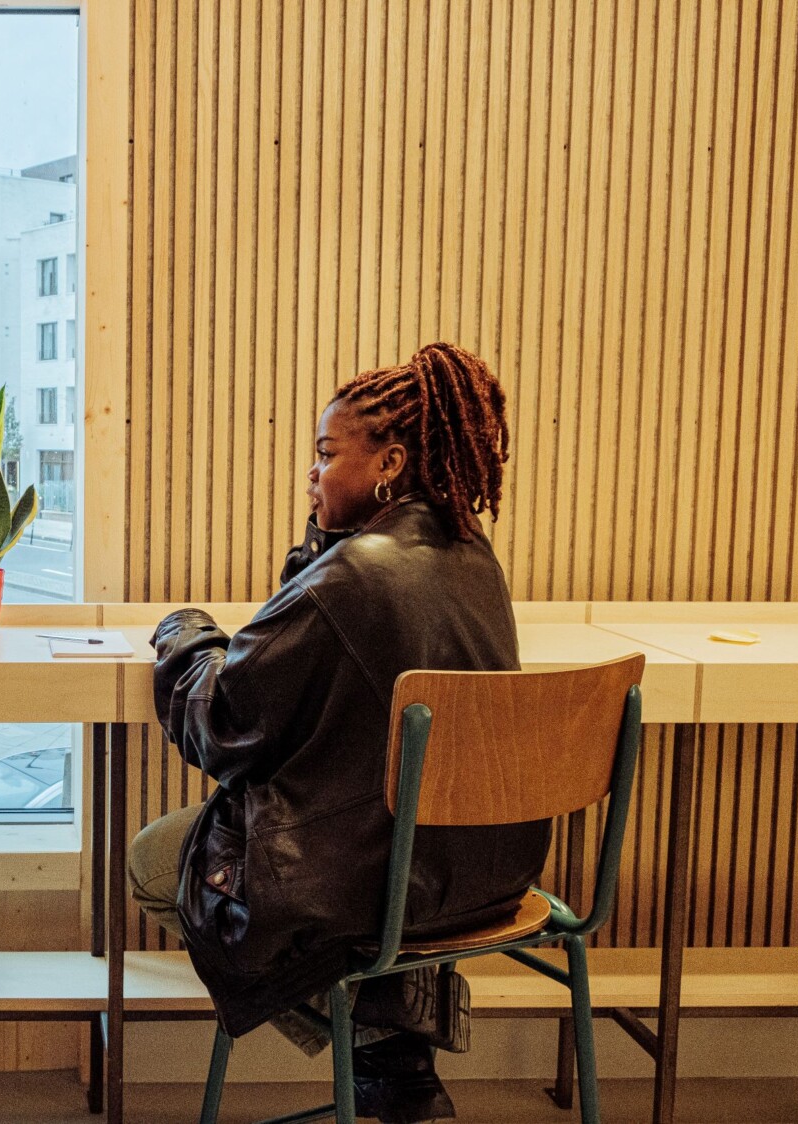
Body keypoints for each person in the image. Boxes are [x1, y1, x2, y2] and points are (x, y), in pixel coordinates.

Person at [128, 342, 551, 1123]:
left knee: (156, 861)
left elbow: (222, 725)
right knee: (345, 854)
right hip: (487, 869)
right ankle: (403, 1052)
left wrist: (184, 633)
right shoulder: (470, 554)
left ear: (388, 461)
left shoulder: (351, 578)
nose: (312, 474)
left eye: (326, 455)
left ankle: (388, 1043)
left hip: (386, 880)